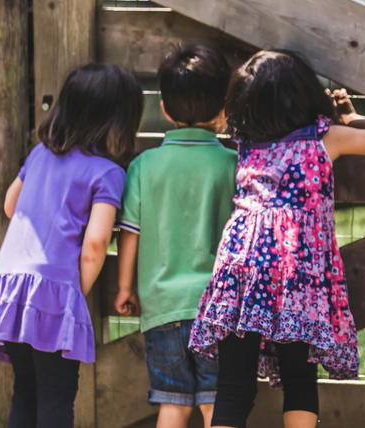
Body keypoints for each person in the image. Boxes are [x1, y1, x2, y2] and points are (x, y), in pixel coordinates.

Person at [189, 50, 365, 428]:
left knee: (233, 385)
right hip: (294, 272)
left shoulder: (247, 145)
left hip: (240, 267)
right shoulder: (325, 139)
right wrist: (353, 118)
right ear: (305, 95)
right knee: (299, 378)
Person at [0, 63, 143, 428]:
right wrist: (74, 294)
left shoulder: (39, 154)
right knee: (57, 396)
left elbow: (10, 205)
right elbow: (95, 244)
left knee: (26, 389)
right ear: (120, 120)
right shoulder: (108, 173)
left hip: (10, 288)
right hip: (53, 294)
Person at [113, 44, 237, 428]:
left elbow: (129, 235)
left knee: (173, 403)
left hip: (162, 306)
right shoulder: (233, 164)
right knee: (216, 402)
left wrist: (124, 288)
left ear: (164, 108)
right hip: (219, 309)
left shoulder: (144, 166)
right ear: (224, 108)